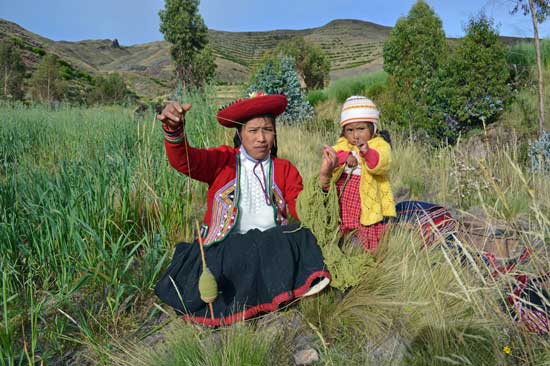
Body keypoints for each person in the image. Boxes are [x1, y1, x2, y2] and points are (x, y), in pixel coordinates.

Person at [154, 92, 330, 326]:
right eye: (253, 130)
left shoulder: (285, 169)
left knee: (299, 235)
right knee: (239, 253)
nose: (261, 138)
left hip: (273, 243)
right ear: (239, 133)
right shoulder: (222, 161)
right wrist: (174, 130)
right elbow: (185, 161)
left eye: (267, 129)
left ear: (274, 132)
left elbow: (301, 210)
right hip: (228, 246)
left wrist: (324, 182)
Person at [318, 96, 396, 252]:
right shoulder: (343, 144)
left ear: (373, 128)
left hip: (366, 199)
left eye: (361, 129)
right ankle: (342, 245)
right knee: (341, 224)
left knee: (363, 226)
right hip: (343, 197)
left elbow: (381, 164)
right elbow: (333, 155)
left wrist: (367, 153)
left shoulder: (379, 144)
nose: (355, 135)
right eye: (350, 130)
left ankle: (362, 251)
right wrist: (345, 157)